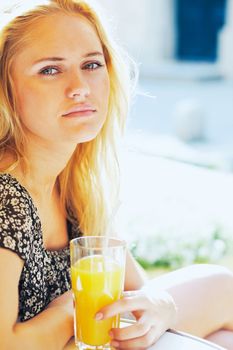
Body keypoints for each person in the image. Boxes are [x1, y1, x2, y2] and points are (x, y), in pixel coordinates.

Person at [0, 1, 233, 350]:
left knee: (222, 318)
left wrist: (161, 306)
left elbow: (136, 290)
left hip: (87, 339)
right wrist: (77, 307)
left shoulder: (75, 181)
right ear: (6, 89)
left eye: (92, 64)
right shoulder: (7, 195)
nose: (80, 86)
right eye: (50, 70)